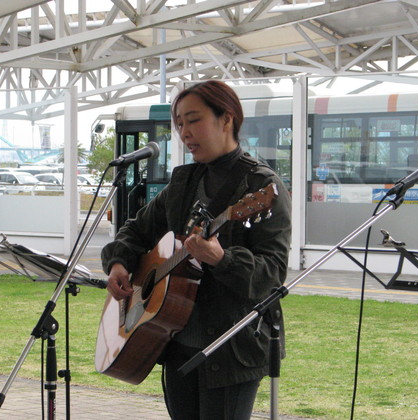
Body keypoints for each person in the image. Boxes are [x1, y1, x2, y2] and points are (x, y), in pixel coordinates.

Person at [102, 80, 291, 420]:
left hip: (231, 350)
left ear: (226, 119)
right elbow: (135, 230)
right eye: (179, 123)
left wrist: (221, 258)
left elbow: (272, 275)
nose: (184, 132)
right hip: (176, 345)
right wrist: (118, 263)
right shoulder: (183, 183)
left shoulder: (261, 187)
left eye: (193, 120)